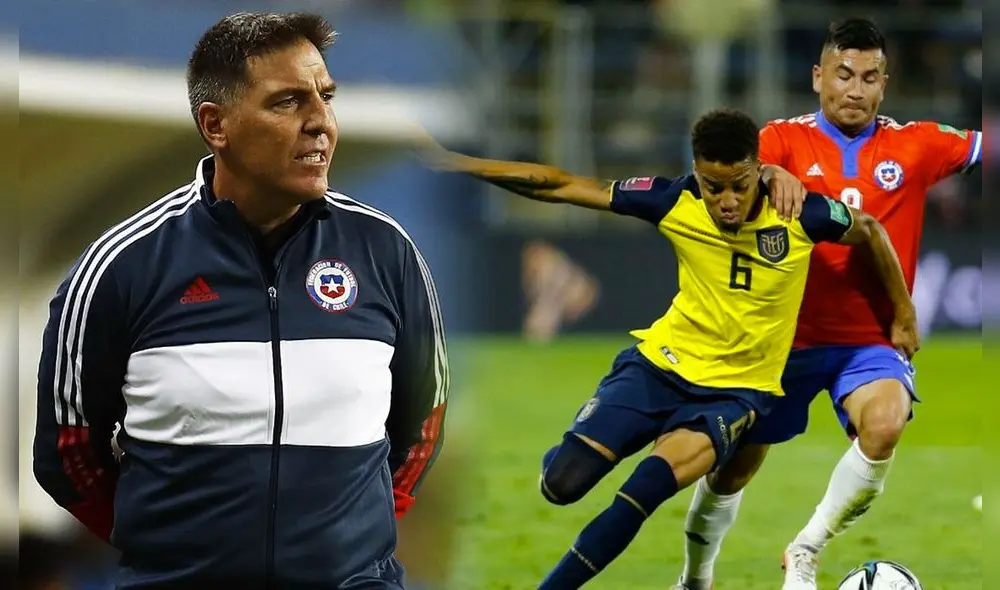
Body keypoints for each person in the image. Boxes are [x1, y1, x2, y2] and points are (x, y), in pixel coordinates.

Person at [32, 12, 449, 589]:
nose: (320, 122)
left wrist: (350, 539)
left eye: (326, 97)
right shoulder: (119, 268)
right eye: (287, 102)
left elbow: (422, 424)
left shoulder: (387, 252)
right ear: (215, 124)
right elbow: (68, 452)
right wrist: (165, 550)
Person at [424, 107, 917, 589]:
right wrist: (454, 162)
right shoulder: (673, 200)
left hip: (735, 394)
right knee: (561, 485)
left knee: (642, 492)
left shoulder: (801, 212)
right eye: (713, 186)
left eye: (739, 186)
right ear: (696, 174)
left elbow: (870, 229)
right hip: (659, 367)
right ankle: (584, 444)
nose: (726, 200)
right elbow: (560, 184)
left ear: (757, 172)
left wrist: (903, 311)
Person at [674, 18, 983, 590]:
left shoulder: (915, 144)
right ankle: (695, 577)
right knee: (731, 470)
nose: (856, 89)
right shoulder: (781, 141)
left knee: (886, 425)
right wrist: (765, 172)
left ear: (884, 84)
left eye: (870, 77)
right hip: (781, 340)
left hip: (867, 340)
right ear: (819, 77)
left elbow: (985, 147)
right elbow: (733, 174)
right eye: (843, 74)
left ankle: (806, 549)